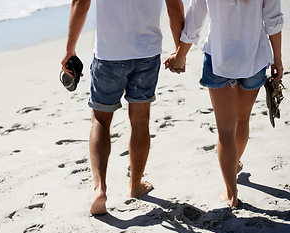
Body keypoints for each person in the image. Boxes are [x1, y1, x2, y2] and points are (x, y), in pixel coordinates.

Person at [61, 0, 185, 215]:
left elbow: (81, 3)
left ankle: (100, 189)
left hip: (109, 54)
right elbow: (174, 7)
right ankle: (135, 185)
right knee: (140, 120)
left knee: (101, 120)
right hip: (147, 53)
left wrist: (70, 49)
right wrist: (179, 51)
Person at [164, 0, 284, 207]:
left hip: (219, 59)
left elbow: (195, 20)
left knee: (226, 130)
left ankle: (231, 193)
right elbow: (273, 20)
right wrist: (278, 59)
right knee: (243, 119)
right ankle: (234, 163)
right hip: (254, 59)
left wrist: (180, 56)